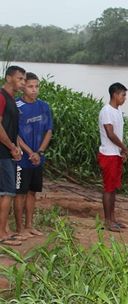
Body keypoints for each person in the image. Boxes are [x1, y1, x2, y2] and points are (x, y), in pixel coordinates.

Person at [14, 72, 53, 238]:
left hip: (38, 159)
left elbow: (49, 131)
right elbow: (14, 133)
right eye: (30, 86)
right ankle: (19, 228)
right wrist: (30, 152)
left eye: (37, 86)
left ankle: (30, 225)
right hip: (22, 159)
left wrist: (39, 152)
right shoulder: (16, 107)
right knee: (20, 193)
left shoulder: (44, 106)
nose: (34, 90)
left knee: (32, 192)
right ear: (23, 87)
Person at [97, 82, 128, 232]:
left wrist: (121, 151)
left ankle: (113, 218)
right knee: (108, 189)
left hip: (115, 154)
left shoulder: (117, 111)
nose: (125, 98)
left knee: (114, 188)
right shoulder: (107, 111)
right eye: (123, 95)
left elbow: (118, 134)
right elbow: (110, 134)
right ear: (115, 94)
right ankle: (107, 221)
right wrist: (123, 147)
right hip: (108, 155)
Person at [0, 66, 25, 246]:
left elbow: (11, 128)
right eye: (20, 78)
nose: (22, 82)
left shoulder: (12, 100)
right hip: (2, 153)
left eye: (24, 79)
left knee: (7, 192)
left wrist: (17, 147)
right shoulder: (1, 97)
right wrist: (11, 147)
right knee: (7, 192)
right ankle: (2, 234)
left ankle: (6, 229)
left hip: (8, 151)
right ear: (9, 78)